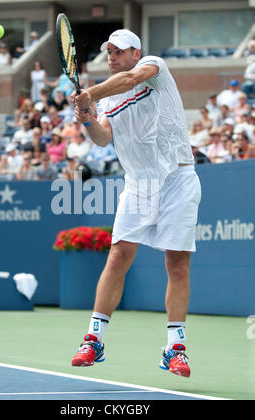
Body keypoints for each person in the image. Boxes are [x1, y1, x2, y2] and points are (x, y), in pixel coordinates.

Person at [70, 29, 201, 378]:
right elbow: (101, 138)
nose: (112, 57)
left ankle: (175, 349)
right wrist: (86, 117)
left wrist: (90, 93)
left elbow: (130, 79)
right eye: (108, 52)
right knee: (118, 256)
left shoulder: (153, 67)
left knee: (177, 264)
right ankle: (93, 339)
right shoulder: (110, 100)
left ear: (135, 52)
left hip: (178, 178)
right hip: (138, 184)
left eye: (118, 51)